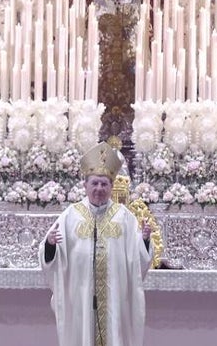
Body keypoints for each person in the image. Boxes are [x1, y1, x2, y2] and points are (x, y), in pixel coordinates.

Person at [40, 139, 152, 346]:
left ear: (111, 186)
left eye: (104, 183)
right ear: (85, 185)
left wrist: (144, 241)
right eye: (95, 183)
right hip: (80, 296)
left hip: (114, 298)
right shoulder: (70, 215)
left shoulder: (124, 217)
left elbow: (138, 263)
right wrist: (50, 245)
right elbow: (50, 258)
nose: (99, 188)